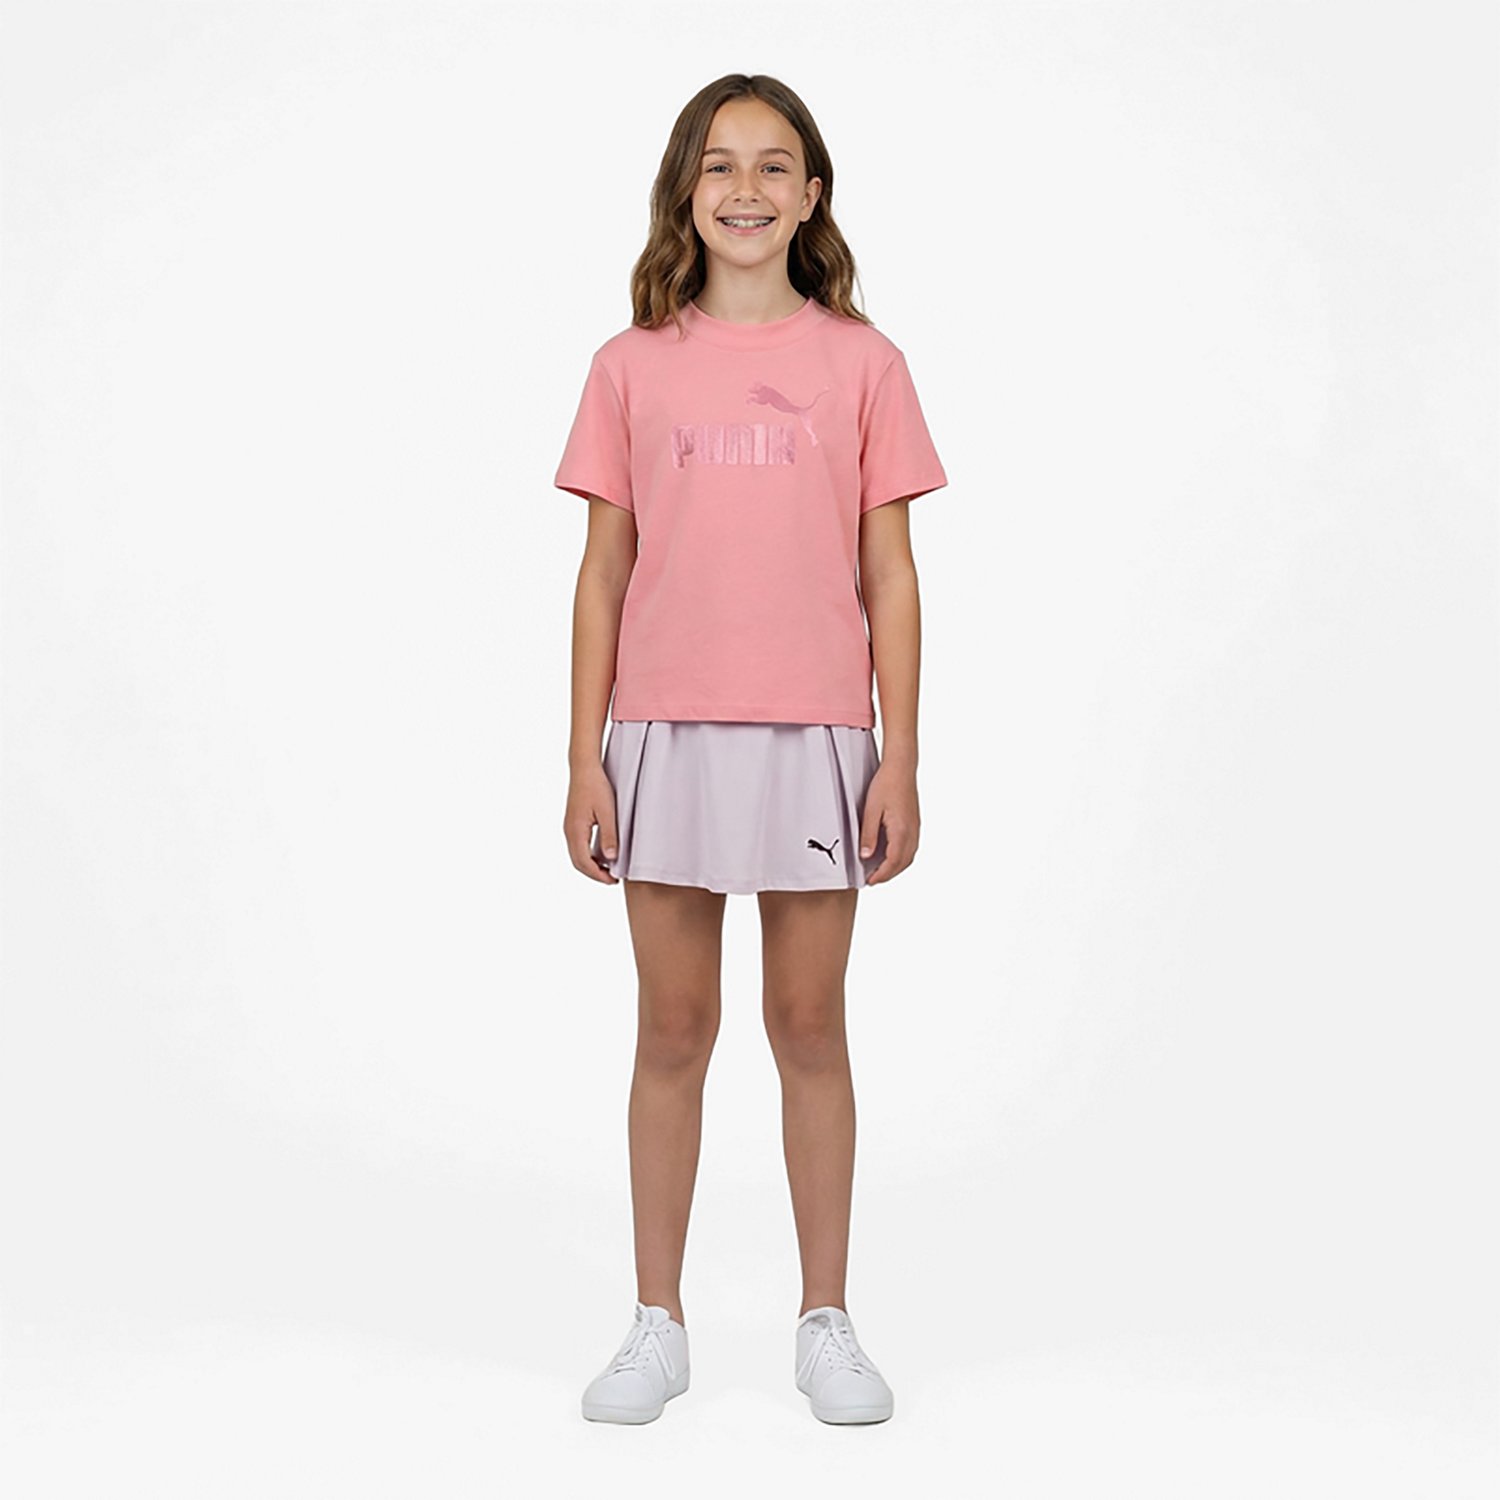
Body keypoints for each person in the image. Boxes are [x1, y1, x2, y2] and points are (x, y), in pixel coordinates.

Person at [555, 73, 947, 1427]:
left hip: (818, 734)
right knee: (673, 1026)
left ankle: (825, 1320)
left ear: (813, 195)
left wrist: (899, 754)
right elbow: (602, 576)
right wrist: (584, 756)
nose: (746, 189)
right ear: (685, 190)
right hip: (663, 733)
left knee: (808, 1024)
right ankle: (655, 1324)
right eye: (719, 165)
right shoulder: (629, 367)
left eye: (776, 165)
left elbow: (891, 575)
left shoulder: (864, 365)